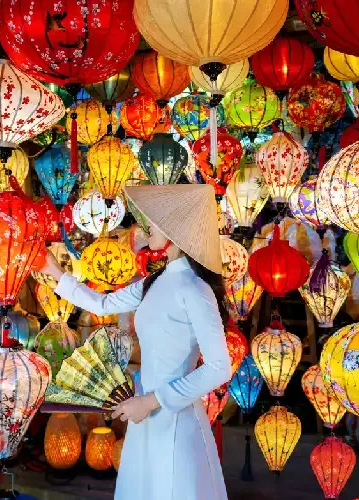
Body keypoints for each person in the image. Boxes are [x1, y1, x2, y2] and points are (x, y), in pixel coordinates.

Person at [38, 184, 231, 500]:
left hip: (174, 419)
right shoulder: (155, 282)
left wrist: (150, 402)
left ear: (175, 230)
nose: (146, 227)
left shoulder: (196, 290)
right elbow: (102, 305)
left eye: (154, 221)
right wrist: (54, 272)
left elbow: (219, 367)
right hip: (144, 413)